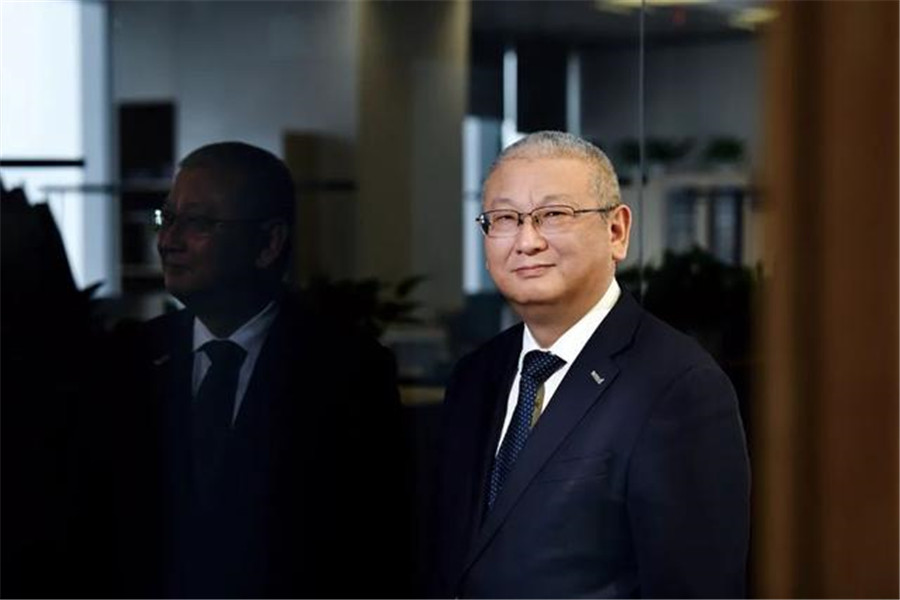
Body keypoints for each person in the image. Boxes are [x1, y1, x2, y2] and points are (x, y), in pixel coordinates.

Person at [429, 131, 750, 598]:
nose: (526, 241)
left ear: (616, 231)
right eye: (505, 218)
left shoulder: (678, 386)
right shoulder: (475, 375)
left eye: (553, 215)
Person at [84, 142, 408, 598]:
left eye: (198, 222)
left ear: (269, 242)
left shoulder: (347, 371)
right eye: (168, 217)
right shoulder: (128, 359)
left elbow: (376, 546)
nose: (169, 240)